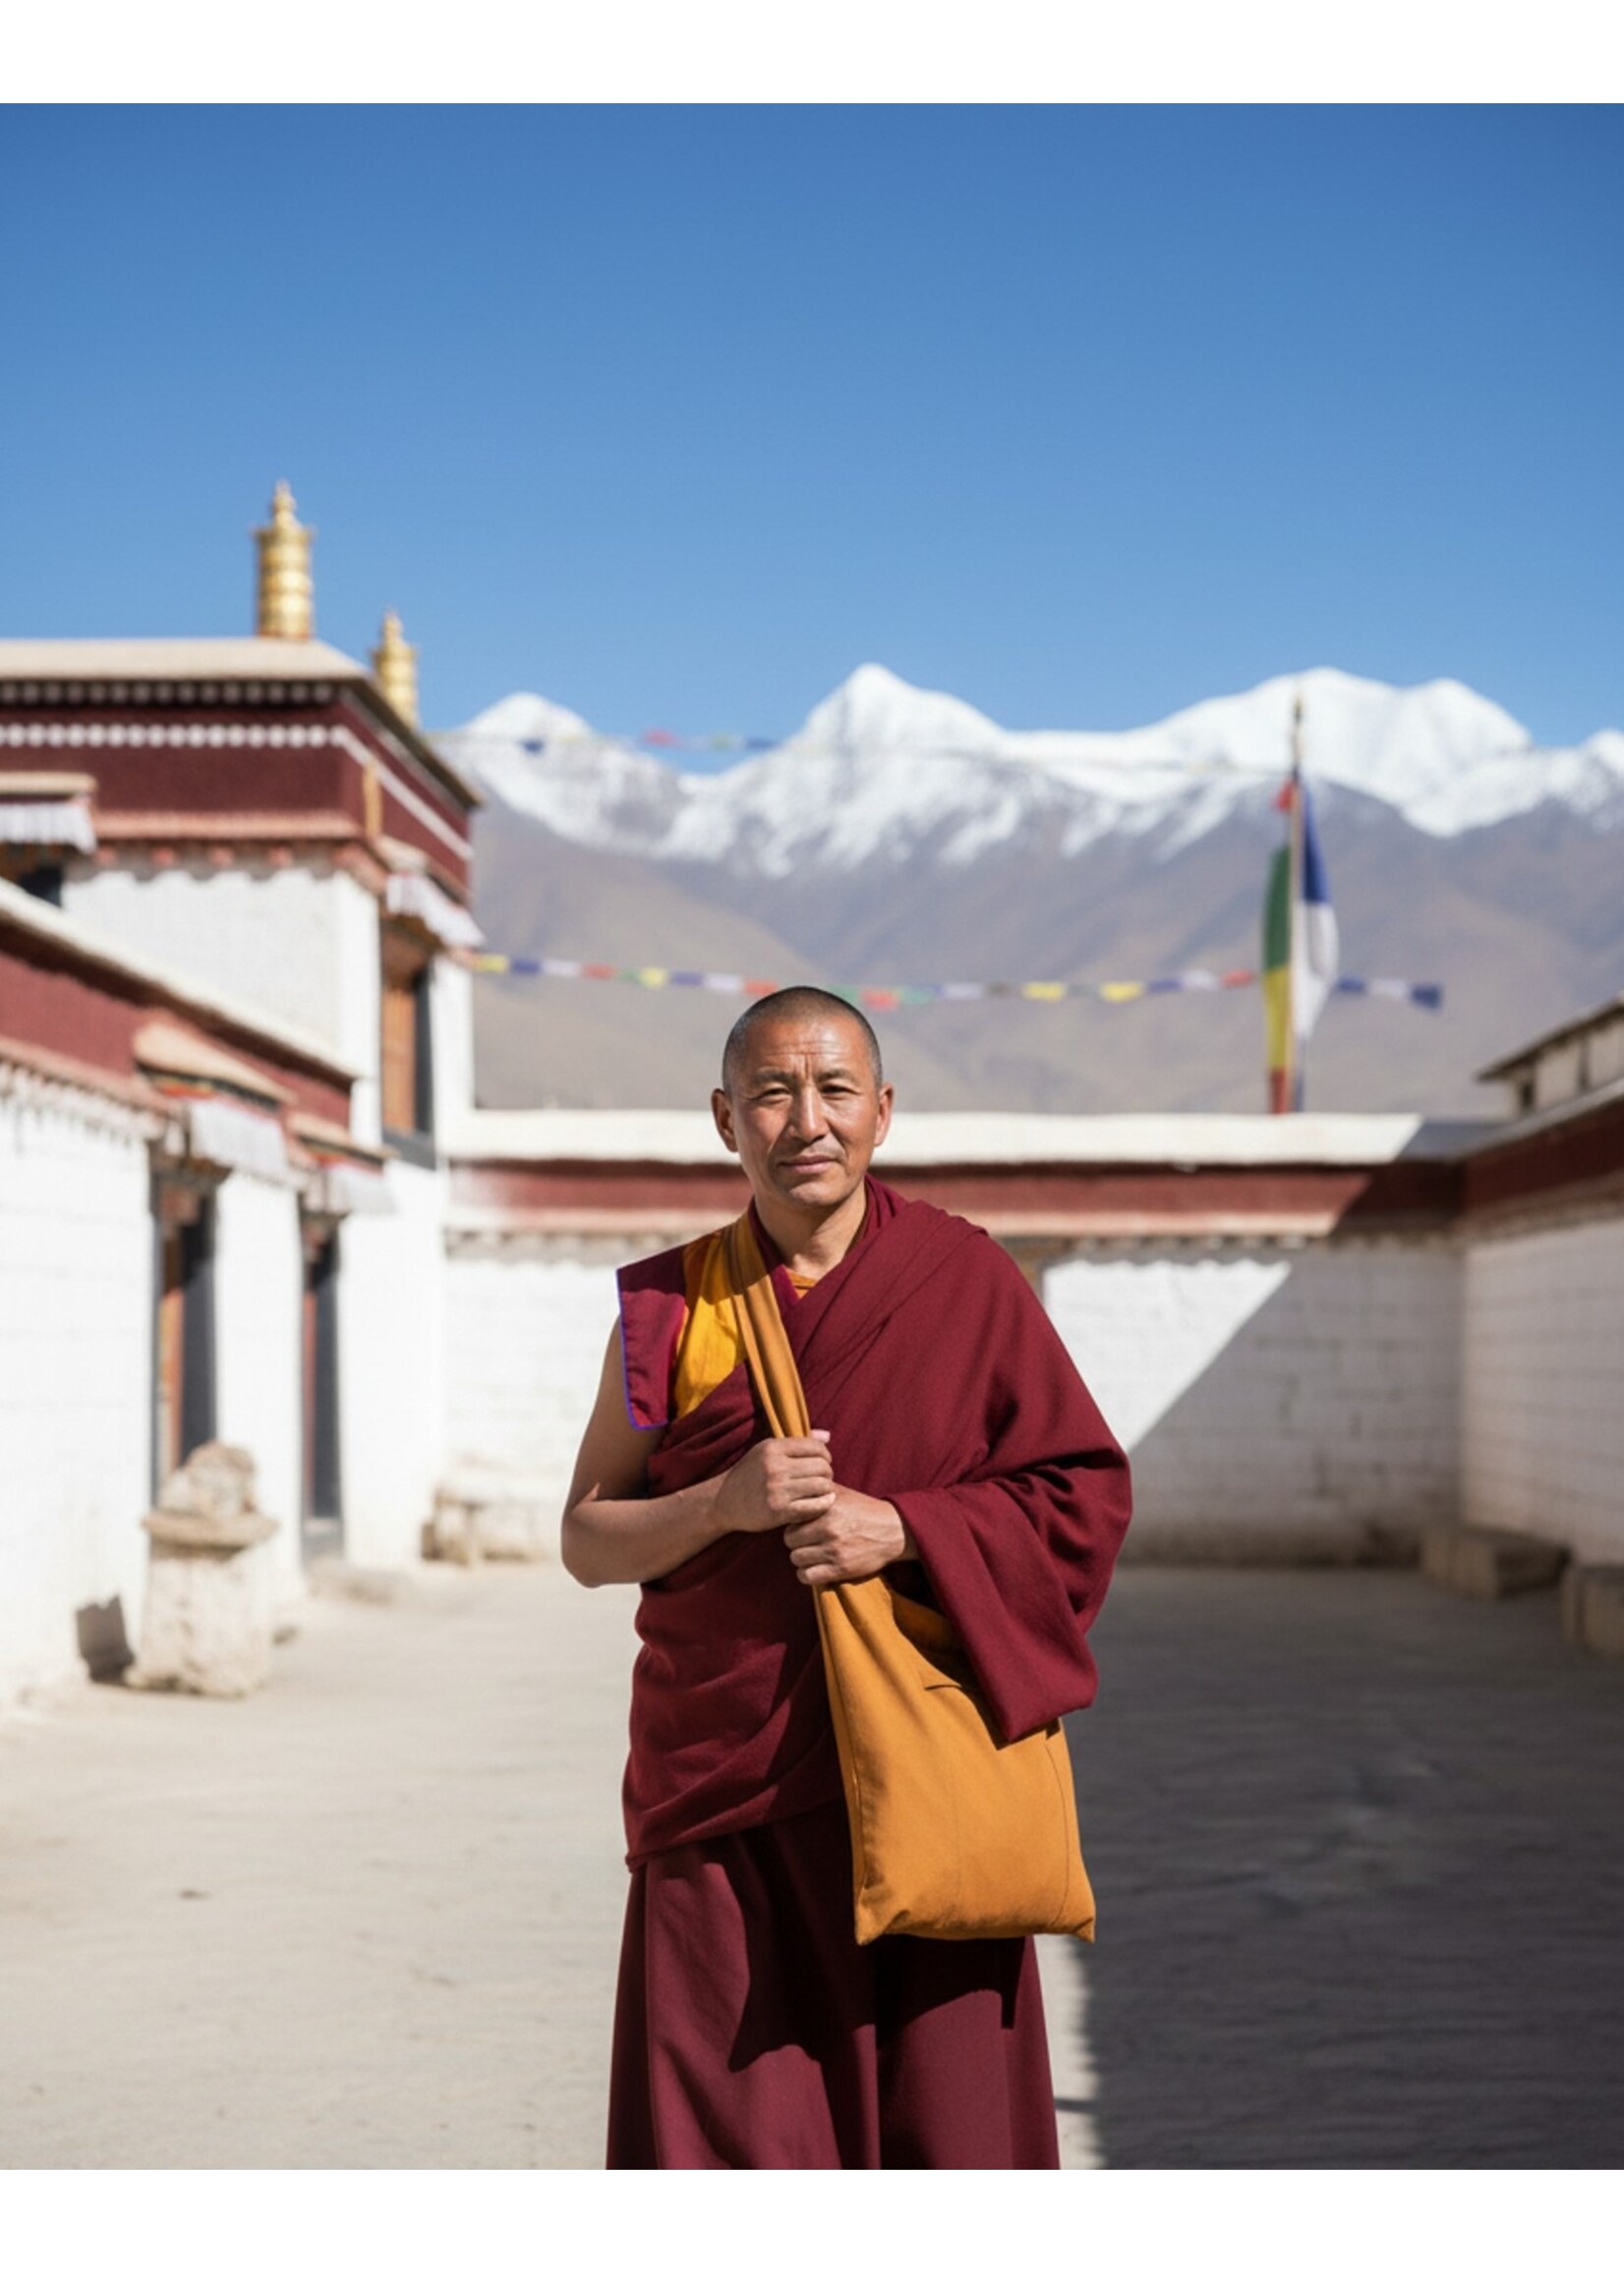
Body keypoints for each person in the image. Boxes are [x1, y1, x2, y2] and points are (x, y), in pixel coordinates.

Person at [561, 985, 1132, 2169]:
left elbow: (1083, 1497)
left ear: (882, 1111)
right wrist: (718, 1504)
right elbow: (586, 1536)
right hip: (725, 1785)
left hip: (930, 1769)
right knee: (729, 2132)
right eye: (772, 1093)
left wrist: (908, 1528)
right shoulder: (668, 1311)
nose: (805, 1121)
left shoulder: (963, 1282)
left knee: (944, 2122)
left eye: (833, 1090)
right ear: (725, 1118)